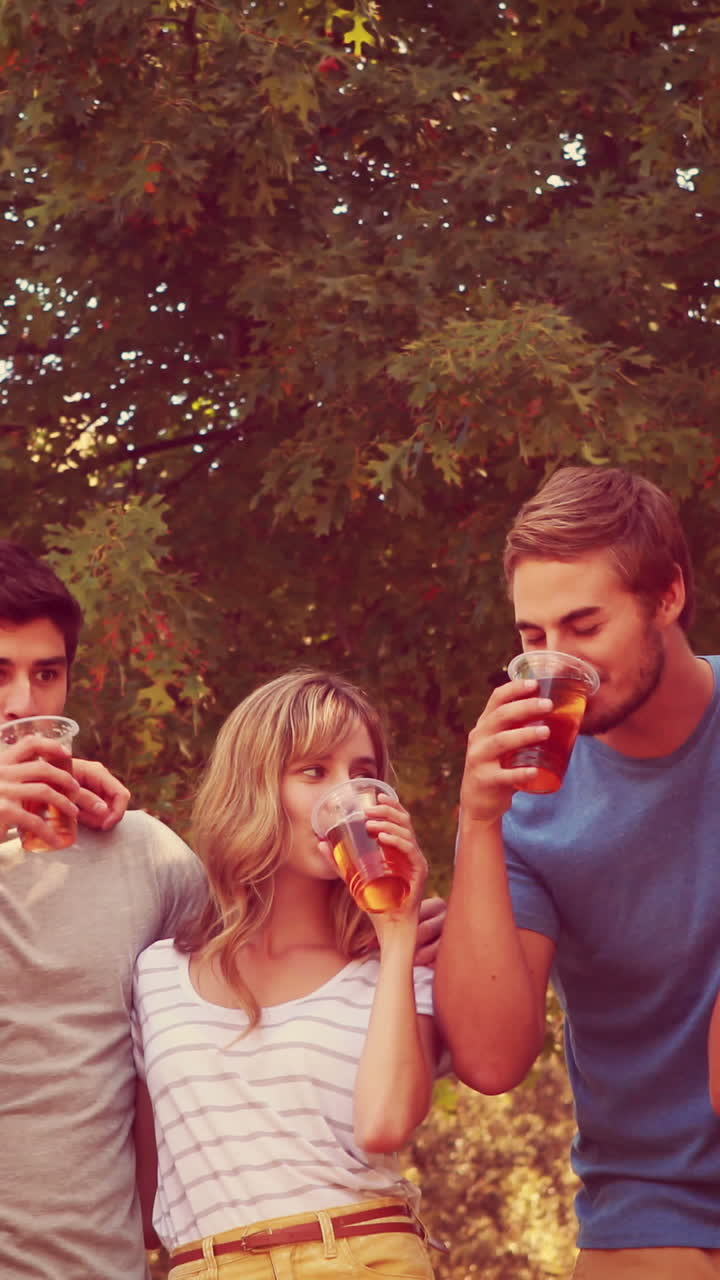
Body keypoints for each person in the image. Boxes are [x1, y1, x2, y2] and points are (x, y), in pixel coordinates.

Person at [434, 466, 720, 1280]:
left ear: (667, 597)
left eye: (585, 626)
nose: (557, 662)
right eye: (533, 637)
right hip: (648, 1213)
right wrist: (478, 823)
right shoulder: (523, 807)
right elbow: (491, 1063)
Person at [132, 668, 442, 1280]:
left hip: (364, 1258)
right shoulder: (157, 975)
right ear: (253, 787)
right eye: (314, 771)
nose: (347, 795)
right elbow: (148, 1201)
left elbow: (384, 1126)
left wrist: (397, 928)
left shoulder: (396, 966)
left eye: (362, 773)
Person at [0, 540, 207, 1280]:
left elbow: (268, 957)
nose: (24, 705)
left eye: (46, 674)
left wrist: (394, 932)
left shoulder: (141, 853)